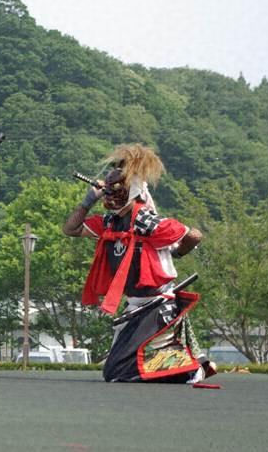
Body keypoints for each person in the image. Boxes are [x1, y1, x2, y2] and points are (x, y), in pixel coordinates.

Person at [62, 143, 216, 383]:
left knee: (118, 372)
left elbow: (194, 235)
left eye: (115, 190)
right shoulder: (110, 222)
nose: (109, 195)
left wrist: (176, 252)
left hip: (156, 305)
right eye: (108, 190)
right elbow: (70, 229)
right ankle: (189, 365)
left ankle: (189, 368)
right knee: (116, 371)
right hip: (134, 305)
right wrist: (87, 201)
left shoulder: (145, 220)